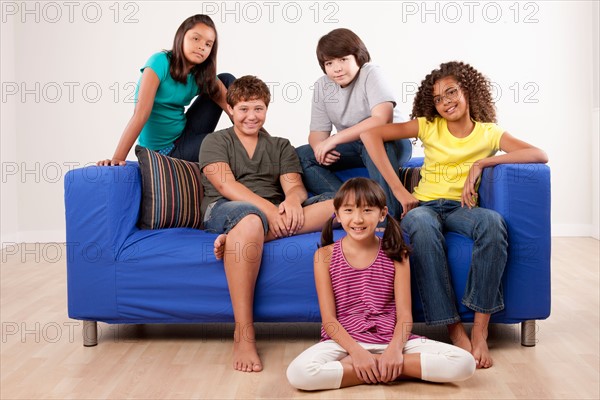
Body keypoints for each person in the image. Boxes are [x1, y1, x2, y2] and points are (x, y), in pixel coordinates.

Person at [359, 61, 549, 368]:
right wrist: (398, 190)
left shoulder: (489, 134)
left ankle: (481, 331)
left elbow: (539, 154)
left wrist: (481, 165)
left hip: (464, 209)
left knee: (493, 223)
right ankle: (455, 330)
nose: (446, 101)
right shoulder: (428, 126)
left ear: (468, 92)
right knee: (419, 223)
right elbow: (370, 136)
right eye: (438, 98)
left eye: (452, 92)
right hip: (425, 207)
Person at [199, 75, 335, 373]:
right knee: (249, 220)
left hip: (274, 213)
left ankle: (238, 241)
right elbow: (226, 186)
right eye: (244, 109)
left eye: (258, 108)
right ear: (231, 110)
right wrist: (268, 211)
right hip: (227, 210)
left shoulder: (280, 145)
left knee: (341, 203)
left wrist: (292, 202)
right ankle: (244, 334)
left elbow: (295, 186)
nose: (251, 116)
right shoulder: (215, 141)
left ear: (267, 109)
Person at [286, 178, 475, 391]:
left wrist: (394, 351)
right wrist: (357, 353)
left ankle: (374, 368)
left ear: (382, 214)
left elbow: (405, 316)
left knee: (464, 363)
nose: (357, 219)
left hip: (391, 339)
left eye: (367, 210)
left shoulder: (397, 253)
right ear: (337, 215)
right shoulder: (324, 256)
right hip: (344, 342)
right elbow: (329, 320)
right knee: (298, 374)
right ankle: (384, 369)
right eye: (348, 211)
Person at [295, 28, 412, 219]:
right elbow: (318, 132)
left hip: (389, 141)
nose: (337, 68)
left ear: (358, 57)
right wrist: (319, 148)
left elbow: (381, 120)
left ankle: (388, 220)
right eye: (329, 63)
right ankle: (348, 203)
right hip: (353, 145)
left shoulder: (371, 73)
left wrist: (334, 140)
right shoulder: (322, 86)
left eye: (343, 59)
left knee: (373, 141)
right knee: (302, 156)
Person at [98, 14, 234, 166]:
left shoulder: (201, 74)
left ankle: (255, 141)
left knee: (226, 80)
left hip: (184, 133)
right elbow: (141, 114)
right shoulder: (160, 62)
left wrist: (256, 137)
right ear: (181, 37)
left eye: (208, 44)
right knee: (226, 142)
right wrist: (117, 158)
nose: (202, 46)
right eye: (196, 39)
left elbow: (239, 110)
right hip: (164, 151)